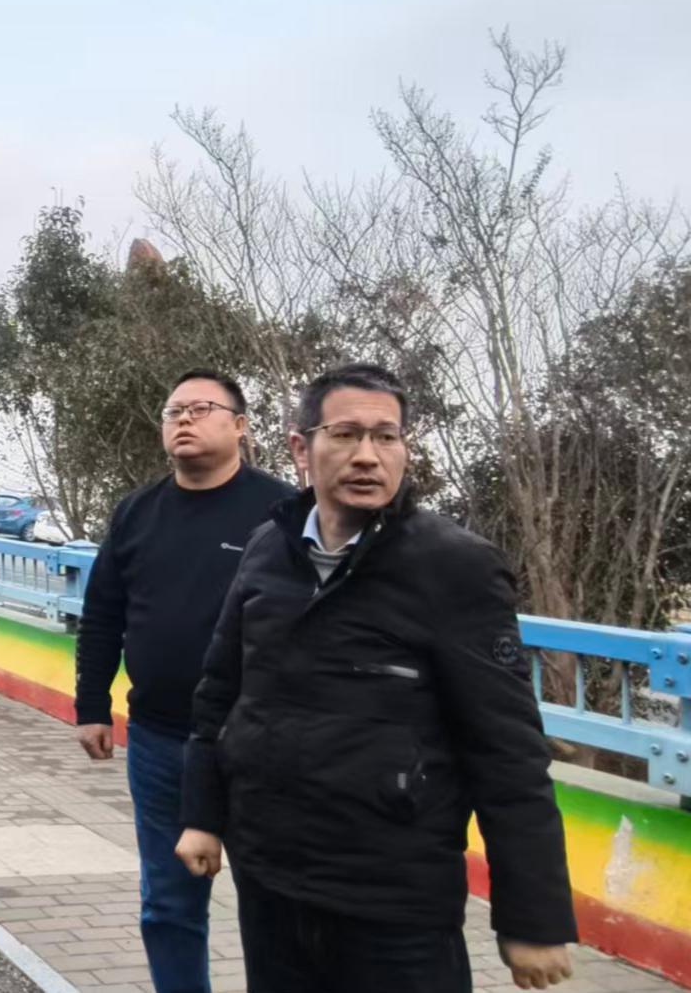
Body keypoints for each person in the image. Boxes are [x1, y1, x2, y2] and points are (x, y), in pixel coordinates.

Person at [176, 363, 577, 993]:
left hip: (395, 897)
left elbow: (508, 752)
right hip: (271, 879)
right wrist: (202, 815)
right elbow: (220, 693)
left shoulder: (454, 567)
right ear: (301, 448)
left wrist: (533, 919)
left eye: (386, 437)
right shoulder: (267, 550)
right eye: (345, 434)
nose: (367, 455)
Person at [73, 370, 294, 993]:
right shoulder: (136, 512)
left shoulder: (282, 512)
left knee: (277, 907)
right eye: (174, 412)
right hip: (160, 739)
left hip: (261, 743)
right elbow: (103, 613)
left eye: (201, 408)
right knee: (168, 904)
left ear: (240, 425)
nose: (184, 421)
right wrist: (92, 705)